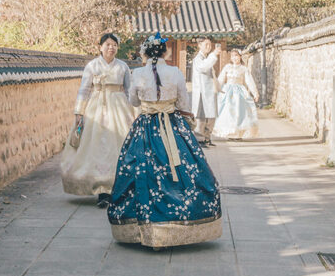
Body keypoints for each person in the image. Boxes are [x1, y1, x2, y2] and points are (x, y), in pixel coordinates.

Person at [108, 33, 222, 248]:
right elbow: (183, 103)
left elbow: (133, 101)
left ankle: (143, 226)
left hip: (145, 127)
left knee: (142, 170)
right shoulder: (175, 72)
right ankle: (180, 222)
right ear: (164, 51)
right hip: (172, 126)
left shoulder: (138, 72)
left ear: (145, 52)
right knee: (182, 170)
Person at [60, 33, 134, 208]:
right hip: (95, 108)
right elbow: (84, 90)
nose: (111, 47)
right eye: (108, 44)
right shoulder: (92, 66)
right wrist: (79, 112)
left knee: (118, 147)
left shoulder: (123, 67)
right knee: (96, 148)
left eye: (114, 44)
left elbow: (130, 91)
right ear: (100, 47)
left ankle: (116, 188)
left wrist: (134, 112)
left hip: (118, 108)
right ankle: (100, 189)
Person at [213, 49, 259, 139]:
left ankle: (238, 133)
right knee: (228, 112)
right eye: (233, 56)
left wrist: (255, 93)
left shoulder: (244, 69)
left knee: (239, 112)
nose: (234, 58)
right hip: (227, 91)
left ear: (240, 57)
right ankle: (230, 132)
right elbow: (221, 79)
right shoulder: (227, 67)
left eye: (236, 55)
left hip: (240, 92)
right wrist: (215, 89)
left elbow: (249, 81)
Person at [191, 38, 221, 147]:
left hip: (209, 92)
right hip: (201, 92)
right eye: (206, 44)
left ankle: (207, 137)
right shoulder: (198, 59)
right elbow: (203, 67)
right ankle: (200, 139)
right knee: (201, 117)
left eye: (210, 44)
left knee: (211, 116)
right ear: (199, 45)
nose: (209, 46)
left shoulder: (207, 58)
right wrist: (214, 55)